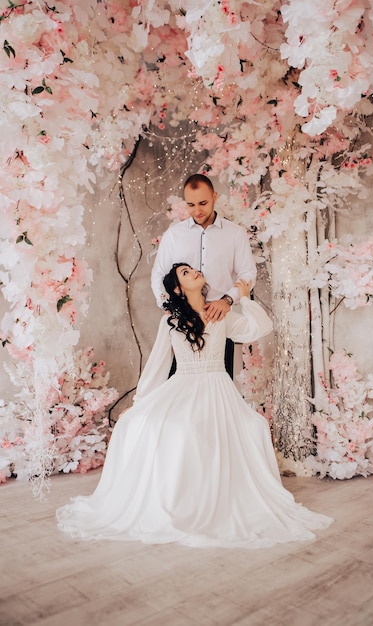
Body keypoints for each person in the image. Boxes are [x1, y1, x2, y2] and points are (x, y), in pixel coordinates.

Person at [56, 263, 332, 548]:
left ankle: (229, 500)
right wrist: (139, 402)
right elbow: (158, 365)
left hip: (218, 387)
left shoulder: (220, 314)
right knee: (166, 427)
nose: (194, 272)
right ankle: (180, 502)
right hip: (183, 385)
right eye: (185, 273)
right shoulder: (170, 321)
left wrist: (244, 299)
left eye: (192, 269)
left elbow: (261, 327)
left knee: (254, 426)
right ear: (177, 288)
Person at [151, 173, 258, 375]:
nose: (197, 210)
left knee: (219, 390)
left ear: (215, 197)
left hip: (219, 322)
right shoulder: (174, 235)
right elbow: (159, 274)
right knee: (178, 392)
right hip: (183, 325)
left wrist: (226, 300)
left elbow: (248, 272)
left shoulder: (235, 234)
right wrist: (167, 304)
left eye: (203, 203)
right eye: (191, 205)